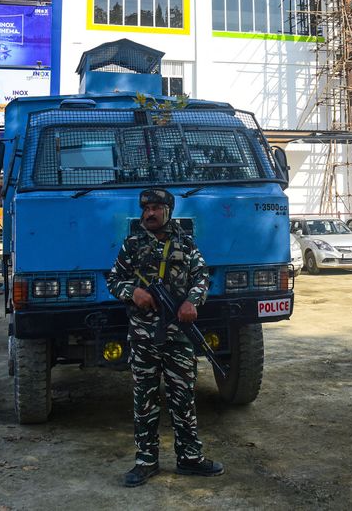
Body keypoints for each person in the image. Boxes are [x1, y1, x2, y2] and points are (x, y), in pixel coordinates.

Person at [106, 189, 224, 487]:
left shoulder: (185, 242)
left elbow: (201, 277)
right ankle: (146, 461)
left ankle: (190, 458)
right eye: (146, 208)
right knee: (144, 399)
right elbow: (113, 279)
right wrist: (134, 292)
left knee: (183, 397)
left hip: (178, 337)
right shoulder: (131, 243)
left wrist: (191, 302)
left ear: (168, 210)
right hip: (144, 337)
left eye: (156, 208)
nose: (150, 213)